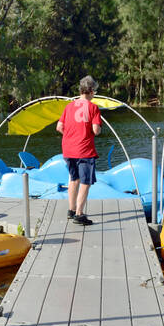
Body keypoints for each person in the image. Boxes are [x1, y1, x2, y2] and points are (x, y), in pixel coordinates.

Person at [56, 75, 102, 225]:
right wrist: (97, 129)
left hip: (68, 149)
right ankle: (79, 214)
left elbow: (59, 127)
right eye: (94, 90)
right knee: (85, 182)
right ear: (90, 91)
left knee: (73, 179)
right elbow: (96, 130)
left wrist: (71, 136)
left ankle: (71, 210)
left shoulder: (69, 106)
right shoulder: (93, 107)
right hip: (84, 150)